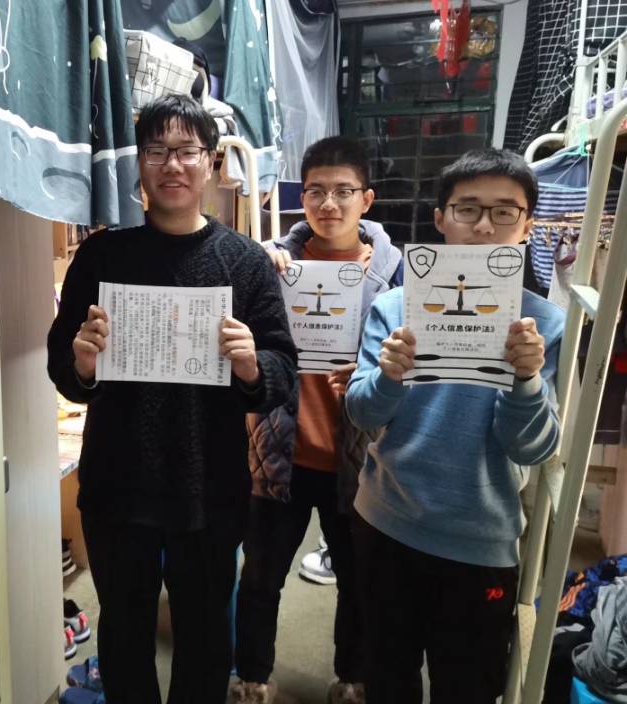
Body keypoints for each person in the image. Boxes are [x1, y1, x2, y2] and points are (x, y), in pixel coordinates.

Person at [46, 94, 297, 704]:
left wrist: (251, 364)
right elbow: (62, 364)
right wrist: (81, 364)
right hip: (117, 484)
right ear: (139, 163)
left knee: (206, 637)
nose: (172, 165)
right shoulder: (102, 255)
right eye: (156, 151)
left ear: (210, 162)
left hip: (208, 485)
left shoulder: (244, 262)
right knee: (124, 632)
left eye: (186, 151)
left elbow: (283, 369)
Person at [345, 148, 564, 704]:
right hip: (386, 523)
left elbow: (534, 447)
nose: (485, 226)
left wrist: (525, 380)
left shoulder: (546, 324)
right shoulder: (395, 306)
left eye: (505, 211)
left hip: (481, 542)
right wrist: (390, 377)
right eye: (467, 209)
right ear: (440, 219)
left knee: (467, 688)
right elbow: (362, 413)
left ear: (528, 227)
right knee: (386, 677)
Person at [233, 137, 402, 704]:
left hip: (359, 459)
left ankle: (352, 678)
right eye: (316, 191)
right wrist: (261, 269)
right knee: (260, 577)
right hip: (278, 451)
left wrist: (372, 370)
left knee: (358, 581)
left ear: (366, 199)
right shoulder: (270, 264)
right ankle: (252, 677)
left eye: (343, 191)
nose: (329, 203)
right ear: (301, 197)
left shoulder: (395, 276)